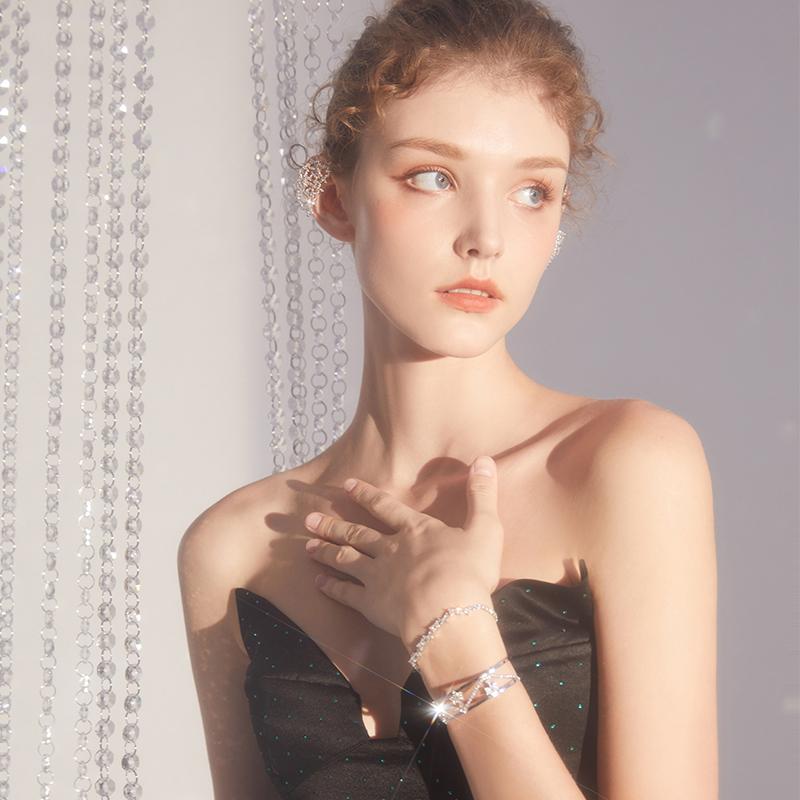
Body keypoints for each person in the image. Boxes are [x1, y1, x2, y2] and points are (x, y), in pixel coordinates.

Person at [178, 1, 719, 798]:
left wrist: (456, 636)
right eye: (433, 177)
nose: (486, 237)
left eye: (533, 191)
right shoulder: (233, 549)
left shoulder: (626, 465)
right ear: (333, 195)